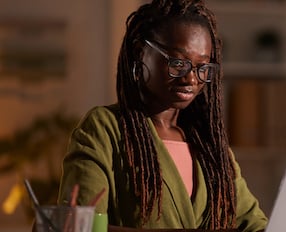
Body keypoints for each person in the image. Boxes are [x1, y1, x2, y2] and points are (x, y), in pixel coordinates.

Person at [56, 0, 268, 231]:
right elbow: (78, 226)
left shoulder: (209, 144)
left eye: (202, 67)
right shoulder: (105, 128)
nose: (192, 79)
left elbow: (253, 223)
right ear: (140, 52)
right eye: (178, 63)